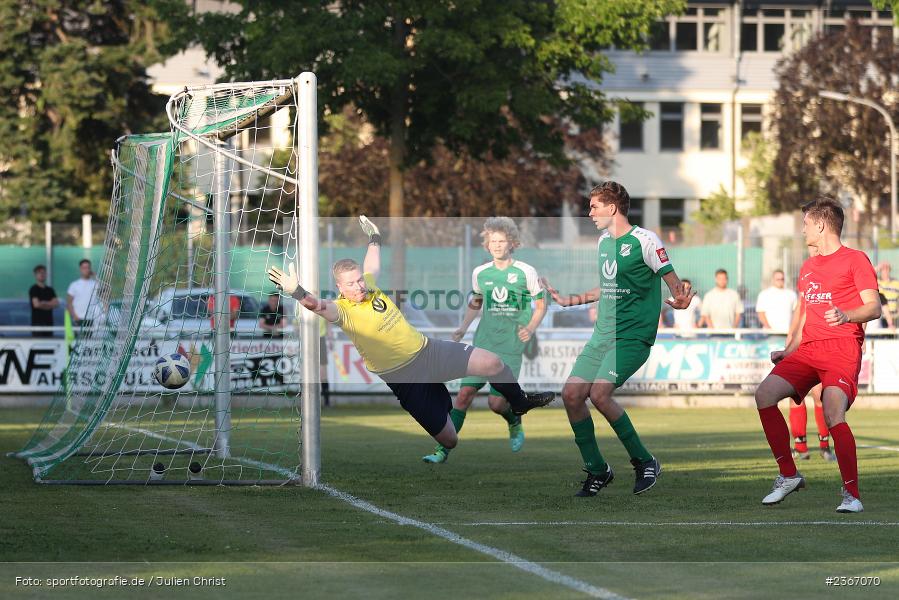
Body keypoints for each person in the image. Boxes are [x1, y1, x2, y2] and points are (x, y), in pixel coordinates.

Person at [267, 216, 555, 450]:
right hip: (405, 379)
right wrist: (296, 291)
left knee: (493, 363)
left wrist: (375, 238)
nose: (359, 287)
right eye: (351, 284)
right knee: (450, 440)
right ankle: (439, 399)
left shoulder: (370, 287)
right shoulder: (342, 311)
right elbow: (316, 305)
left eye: (359, 281)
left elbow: (372, 265)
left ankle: (519, 403)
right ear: (340, 288)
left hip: (428, 352)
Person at [541, 181, 693, 497]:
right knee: (571, 395)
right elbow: (606, 288)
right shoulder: (602, 242)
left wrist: (682, 299)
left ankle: (645, 461)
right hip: (602, 336)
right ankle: (598, 470)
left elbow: (676, 286)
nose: (590, 212)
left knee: (599, 394)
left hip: (632, 337)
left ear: (612, 208)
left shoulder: (645, 241)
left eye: (594, 206)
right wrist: (571, 300)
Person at [756, 196, 880, 513]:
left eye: (807, 224)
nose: (803, 230)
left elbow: (874, 307)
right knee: (765, 394)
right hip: (808, 350)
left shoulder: (856, 260)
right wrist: (787, 351)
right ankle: (788, 475)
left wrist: (846, 315)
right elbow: (807, 320)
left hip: (842, 349)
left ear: (821, 225)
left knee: (832, 412)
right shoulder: (809, 267)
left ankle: (852, 495)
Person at [421, 217, 547, 464]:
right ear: (487, 245)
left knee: (496, 403)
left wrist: (530, 328)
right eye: (493, 242)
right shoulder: (480, 273)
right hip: (484, 343)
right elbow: (476, 302)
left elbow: (541, 305)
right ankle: (442, 450)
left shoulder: (525, 271)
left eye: (502, 241)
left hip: (510, 347)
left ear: (511, 243)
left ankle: (513, 420)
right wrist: (462, 328)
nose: (497, 245)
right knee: (464, 394)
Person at [66, 259, 97, 328]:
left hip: (92, 319)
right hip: (78, 318)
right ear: (80, 269)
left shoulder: (95, 284)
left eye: (88, 268)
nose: (86, 270)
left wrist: (95, 276)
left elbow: (106, 292)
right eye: (84, 268)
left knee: (92, 338)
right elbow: (69, 303)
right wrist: (74, 316)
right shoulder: (74, 285)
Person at [29, 265, 59, 338]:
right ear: (35, 275)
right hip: (37, 325)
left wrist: (43, 303)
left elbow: (56, 304)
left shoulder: (50, 290)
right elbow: (36, 305)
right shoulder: (34, 289)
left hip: (49, 325)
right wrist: (49, 304)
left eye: (43, 272)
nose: (42, 274)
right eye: (39, 272)